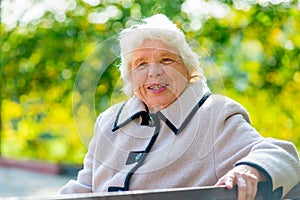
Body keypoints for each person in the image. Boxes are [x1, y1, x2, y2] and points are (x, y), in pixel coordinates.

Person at [58, 14, 300, 199]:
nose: (154, 72)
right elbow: (85, 187)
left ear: (188, 70)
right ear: (130, 76)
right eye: (141, 64)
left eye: (166, 60)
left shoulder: (214, 114)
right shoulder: (109, 121)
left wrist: (249, 169)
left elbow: (282, 154)